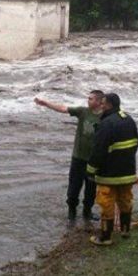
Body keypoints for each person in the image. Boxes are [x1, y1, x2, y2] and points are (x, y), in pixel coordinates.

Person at [34, 90, 104, 222]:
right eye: (88, 98)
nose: (88, 100)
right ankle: (71, 212)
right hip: (78, 157)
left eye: (91, 99)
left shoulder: (105, 116)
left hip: (94, 160)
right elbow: (63, 108)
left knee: (91, 189)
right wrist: (46, 104)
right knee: (74, 187)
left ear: (100, 102)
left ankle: (87, 212)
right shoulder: (83, 111)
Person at [86, 93, 138, 246]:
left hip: (109, 174)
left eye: (102, 103)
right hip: (128, 172)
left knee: (106, 203)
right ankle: (125, 230)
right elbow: (136, 142)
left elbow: (98, 150)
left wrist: (90, 170)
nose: (100, 106)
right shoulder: (128, 119)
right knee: (125, 200)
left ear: (108, 105)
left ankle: (105, 237)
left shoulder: (106, 123)